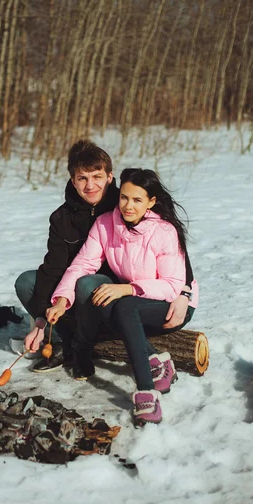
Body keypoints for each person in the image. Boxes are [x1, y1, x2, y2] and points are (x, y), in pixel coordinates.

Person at [16, 141, 194, 373]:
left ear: (109, 177)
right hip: (73, 288)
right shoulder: (62, 218)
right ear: (73, 181)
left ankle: (89, 345)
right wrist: (41, 319)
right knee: (27, 281)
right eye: (82, 178)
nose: (90, 186)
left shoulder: (128, 202)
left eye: (97, 177)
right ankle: (68, 341)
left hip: (118, 290)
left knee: (89, 283)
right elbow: (54, 267)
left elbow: (174, 250)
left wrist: (183, 292)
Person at [44, 168, 198, 426]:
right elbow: (82, 265)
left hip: (171, 305)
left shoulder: (163, 231)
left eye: (137, 200)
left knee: (124, 305)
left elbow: (172, 285)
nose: (128, 205)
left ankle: (146, 393)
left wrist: (129, 288)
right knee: (102, 296)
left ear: (151, 202)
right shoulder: (105, 223)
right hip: (133, 302)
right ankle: (156, 360)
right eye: (124, 197)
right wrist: (62, 299)